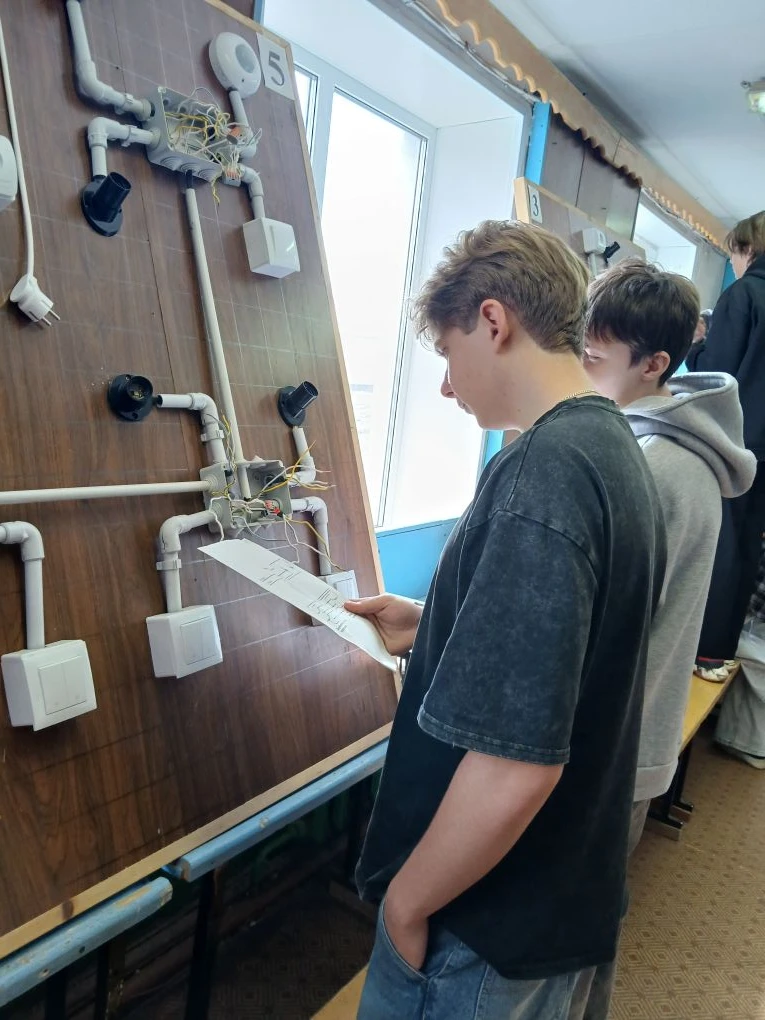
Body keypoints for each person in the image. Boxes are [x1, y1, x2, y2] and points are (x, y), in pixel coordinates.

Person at [344, 221, 666, 1020]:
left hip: (487, 919)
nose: (447, 388)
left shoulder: (540, 474)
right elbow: (572, 645)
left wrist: (406, 904)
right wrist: (433, 621)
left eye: (446, 354)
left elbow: (515, 764)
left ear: (492, 321)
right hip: (560, 891)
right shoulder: (608, 446)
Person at [570, 258, 755, 1019]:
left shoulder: (657, 467)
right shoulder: (673, 453)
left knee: (566, 939)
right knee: (586, 929)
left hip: (611, 745)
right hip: (634, 738)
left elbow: (600, 623)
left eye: (592, 357)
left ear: (653, 364)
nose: (578, 371)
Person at [685, 211, 765, 662]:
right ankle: (719, 652)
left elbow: (715, 377)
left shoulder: (745, 294)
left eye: (733, 252)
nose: (733, 262)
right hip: (764, 457)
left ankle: (700, 650)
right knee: (746, 547)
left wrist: (697, 344)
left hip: (735, 445)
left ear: (748, 249)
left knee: (720, 547)